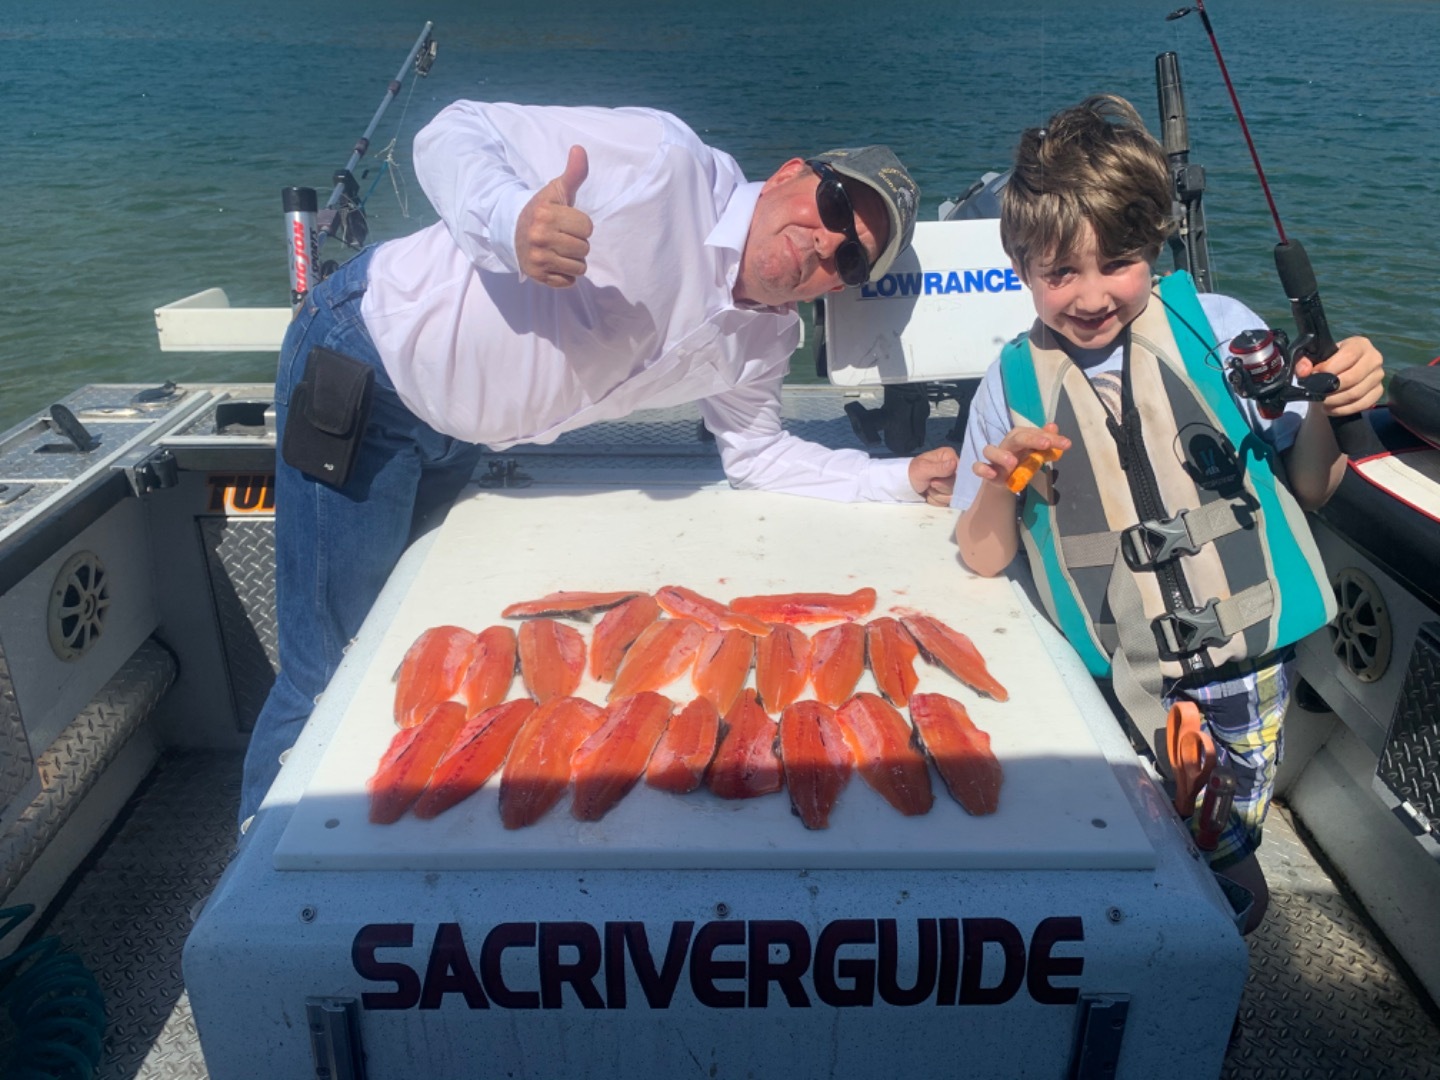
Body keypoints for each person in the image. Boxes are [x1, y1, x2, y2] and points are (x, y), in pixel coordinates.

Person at [238, 100, 958, 828]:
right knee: (328, 671)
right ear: (788, 174)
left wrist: (895, 478)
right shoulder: (663, 163)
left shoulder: (764, 342)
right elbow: (452, 131)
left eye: (852, 256)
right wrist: (511, 220)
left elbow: (758, 455)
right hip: (369, 360)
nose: (824, 241)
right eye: (834, 203)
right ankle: (255, 869)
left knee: (411, 651)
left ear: (839, 286)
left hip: (466, 438)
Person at [950, 95, 1384, 932]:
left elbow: (1315, 485)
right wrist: (1000, 481)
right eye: (1058, 274)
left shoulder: (1219, 330)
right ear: (1022, 271)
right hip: (1114, 682)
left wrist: (1333, 400)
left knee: (1231, 875)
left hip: (1248, 670)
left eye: (1117, 262)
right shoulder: (1009, 384)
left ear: (1155, 244)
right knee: (1130, 860)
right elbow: (980, 555)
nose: (1089, 295)